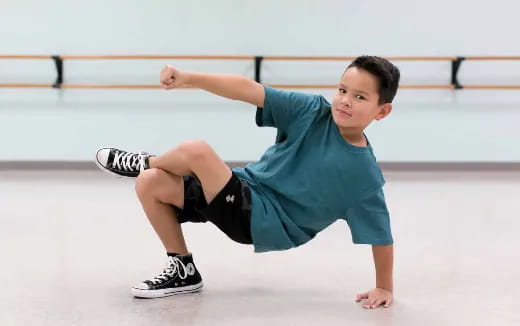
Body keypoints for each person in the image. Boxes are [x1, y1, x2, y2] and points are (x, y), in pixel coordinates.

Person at [95, 55, 399, 309]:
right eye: (342, 90)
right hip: (244, 189)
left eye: (359, 97)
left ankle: (143, 161)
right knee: (150, 183)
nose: (345, 101)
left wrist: (384, 287)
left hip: (265, 222)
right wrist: (188, 78)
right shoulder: (313, 112)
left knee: (196, 152)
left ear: (382, 111)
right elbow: (248, 89)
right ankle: (183, 268)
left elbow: (380, 233)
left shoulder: (362, 174)